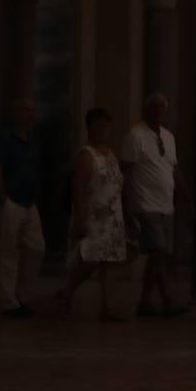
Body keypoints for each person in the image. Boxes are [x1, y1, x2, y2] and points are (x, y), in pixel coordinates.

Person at [55, 108, 132, 319]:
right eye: (99, 125)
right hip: (94, 216)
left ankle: (108, 307)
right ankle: (68, 290)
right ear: (90, 127)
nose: (103, 130)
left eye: (106, 126)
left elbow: (118, 185)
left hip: (112, 217)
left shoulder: (111, 154)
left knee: (109, 262)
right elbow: (77, 187)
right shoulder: (86, 155)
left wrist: (126, 212)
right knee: (88, 260)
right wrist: (80, 217)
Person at [119, 93, 191, 317]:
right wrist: (128, 206)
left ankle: (145, 301)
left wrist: (186, 198)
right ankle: (168, 299)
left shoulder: (168, 137)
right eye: (154, 106)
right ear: (146, 109)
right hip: (145, 203)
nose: (158, 110)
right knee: (158, 250)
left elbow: (174, 169)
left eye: (162, 106)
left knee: (158, 255)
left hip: (166, 205)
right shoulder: (135, 136)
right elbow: (127, 173)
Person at [0, 98, 43, 318]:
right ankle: (9, 302)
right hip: (12, 200)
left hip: (30, 202)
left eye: (32, 110)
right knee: (8, 252)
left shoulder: (32, 139)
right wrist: (3, 198)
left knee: (37, 248)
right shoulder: (5, 137)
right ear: (16, 112)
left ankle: (23, 296)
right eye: (25, 110)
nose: (30, 114)